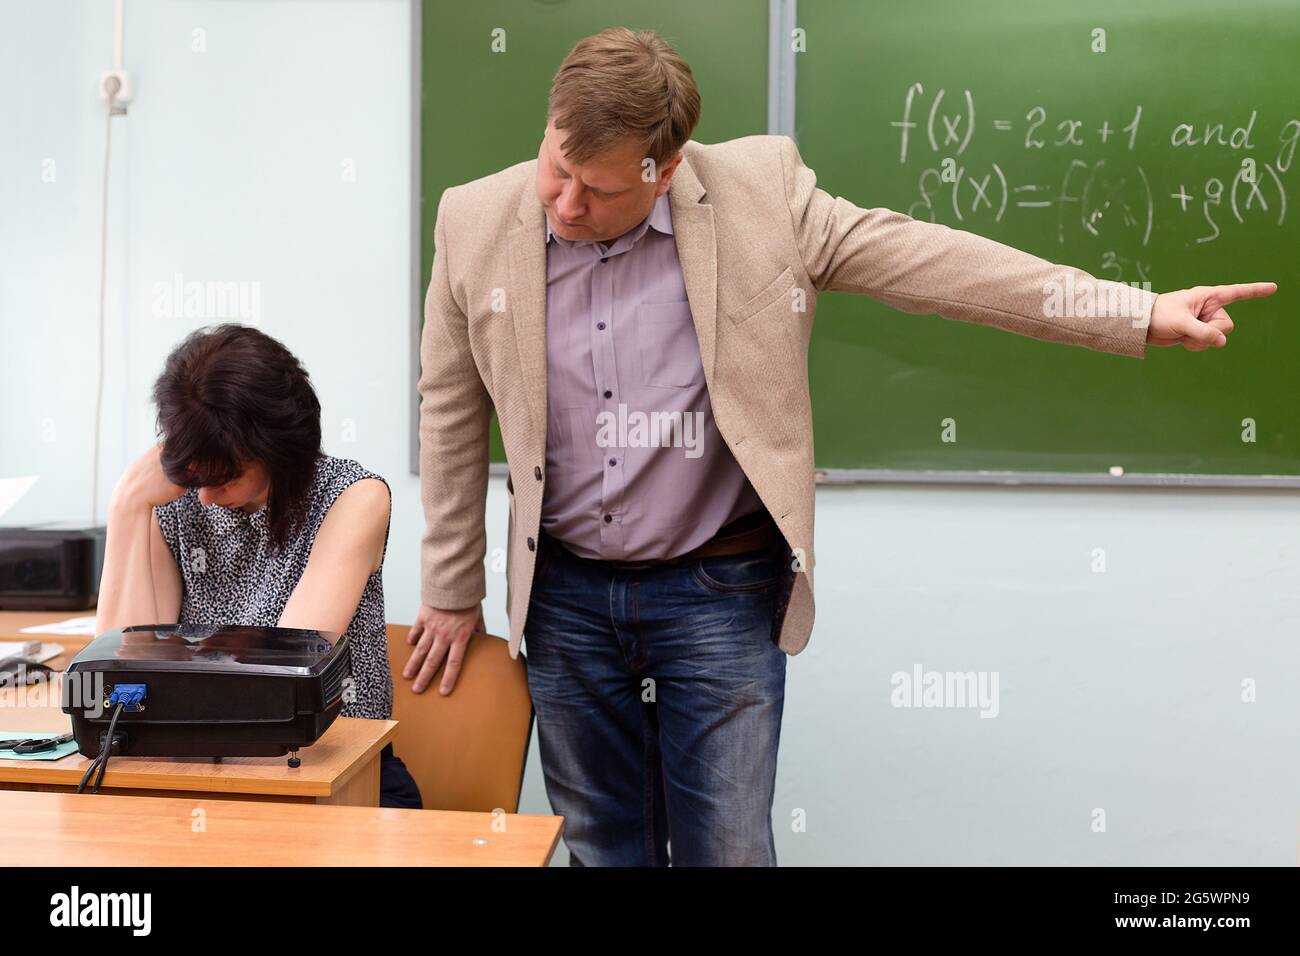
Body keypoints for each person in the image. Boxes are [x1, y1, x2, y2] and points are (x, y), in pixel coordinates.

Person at [403, 28, 1276, 863]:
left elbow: (935, 264)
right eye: (557, 168)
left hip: (719, 586)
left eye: (598, 190)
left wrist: (1135, 311)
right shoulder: (474, 221)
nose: (564, 204)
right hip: (565, 596)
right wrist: (448, 587)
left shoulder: (761, 198)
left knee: (732, 850)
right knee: (599, 846)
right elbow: (448, 406)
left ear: (665, 170)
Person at [97, 323, 421, 808]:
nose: (204, 497)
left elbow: (277, 685)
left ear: (275, 451)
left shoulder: (351, 498)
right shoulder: (175, 495)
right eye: (194, 477)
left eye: (223, 479)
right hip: (196, 770)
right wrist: (126, 506)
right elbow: (118, 677)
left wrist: (174, 684)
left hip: (336, 774)